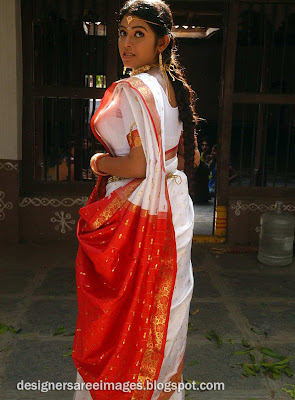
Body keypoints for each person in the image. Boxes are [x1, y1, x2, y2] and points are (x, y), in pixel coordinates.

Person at [72, 1, 201, 399]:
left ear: (162, 41)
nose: (126, 42)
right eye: (124, 32)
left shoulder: (134, 89)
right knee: (162, 311)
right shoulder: (172, 88)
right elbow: (181, 157)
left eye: (139, 33)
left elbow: (139, 166)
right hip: (173, 206)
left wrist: (98, 162)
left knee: (122, 314)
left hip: (143, 209)